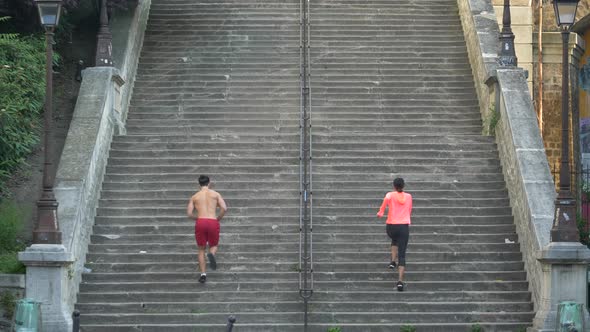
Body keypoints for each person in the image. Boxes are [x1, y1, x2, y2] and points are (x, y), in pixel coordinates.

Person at [186, 175, 227, 283]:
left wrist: (197, 219)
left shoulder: (195, 196)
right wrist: (218, 218)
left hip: (201, 221)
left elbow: (189, 214)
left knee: (201, 249)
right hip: (213, 221)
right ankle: (212, 254)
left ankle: (203, 274)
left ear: (198, 184)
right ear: (209, 183)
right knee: (213, 245)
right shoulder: (215, 194)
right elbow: (224, 208)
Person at [377, 177, 412, 291]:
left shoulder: (389, 195)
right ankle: (400, 282)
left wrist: (381, 212)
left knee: (394, 239)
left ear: (394, 186)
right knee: (402, 254)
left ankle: (392, 261)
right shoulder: (409, 196)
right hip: (403, 226)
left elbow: (383, 205)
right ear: (403, 186)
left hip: (391, 227)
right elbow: (409, 209)